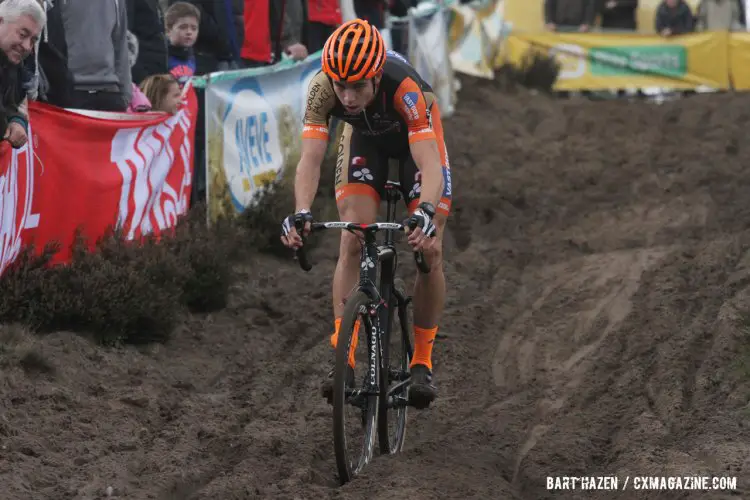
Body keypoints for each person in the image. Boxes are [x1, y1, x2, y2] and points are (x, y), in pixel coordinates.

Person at [280, 18, 452, 410]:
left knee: (430, 250)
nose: (348, 97)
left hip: (415, 146)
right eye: (341, 86)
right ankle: (346, 358)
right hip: (365, 145)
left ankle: (422, 361)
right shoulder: (323, 88)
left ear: (376, 77)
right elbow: (310, 158)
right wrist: (301, 211)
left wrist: (425, 211)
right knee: (352, 237)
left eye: (358, 86)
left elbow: (428, 158)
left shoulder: (405, 89)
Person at [0, 0, 45, 148]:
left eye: (33, 40)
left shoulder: (13, 64)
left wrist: (17, 121)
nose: (27, 46)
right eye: (22, 34)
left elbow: (14, 103)